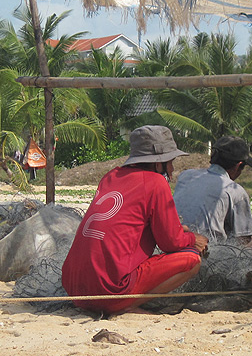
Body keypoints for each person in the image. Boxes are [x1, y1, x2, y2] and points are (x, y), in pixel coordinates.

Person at [62, 125, 209, 315]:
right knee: (191, 259)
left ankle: (121, 301)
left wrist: (180, 230)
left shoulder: (110, 176)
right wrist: (193, 239)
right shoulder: (156, 183)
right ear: (158, 163)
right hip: (108, 291)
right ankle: (126, 305)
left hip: (74, 289)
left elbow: (130, 224)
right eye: (170, 162)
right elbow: (170, 243)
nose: (172, 169)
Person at [173, 136, 252, 246]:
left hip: (174, 242)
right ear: (238, 165)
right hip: (206, 252)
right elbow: (242, 246)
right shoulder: (236, 191)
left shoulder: (186, 176)